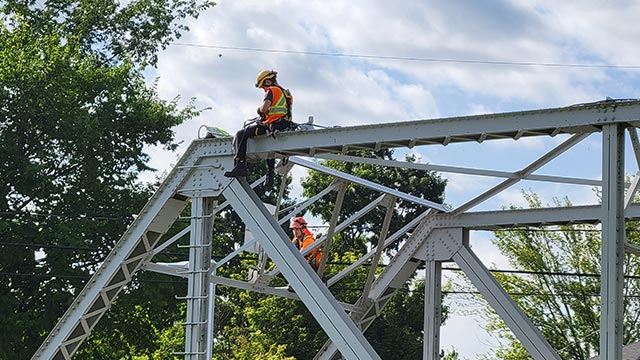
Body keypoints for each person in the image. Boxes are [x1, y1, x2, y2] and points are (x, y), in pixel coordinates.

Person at [224, 70, 293, 185]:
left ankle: (240, 165)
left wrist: (259, 110)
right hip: (283, 124)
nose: (263, 90)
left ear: (266, 81)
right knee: (269, 147)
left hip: (273, 124)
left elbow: (265, 109)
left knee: (241, 134)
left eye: (262, 87)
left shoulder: (271, 91)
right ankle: (270, 173)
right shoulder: (286, 93)